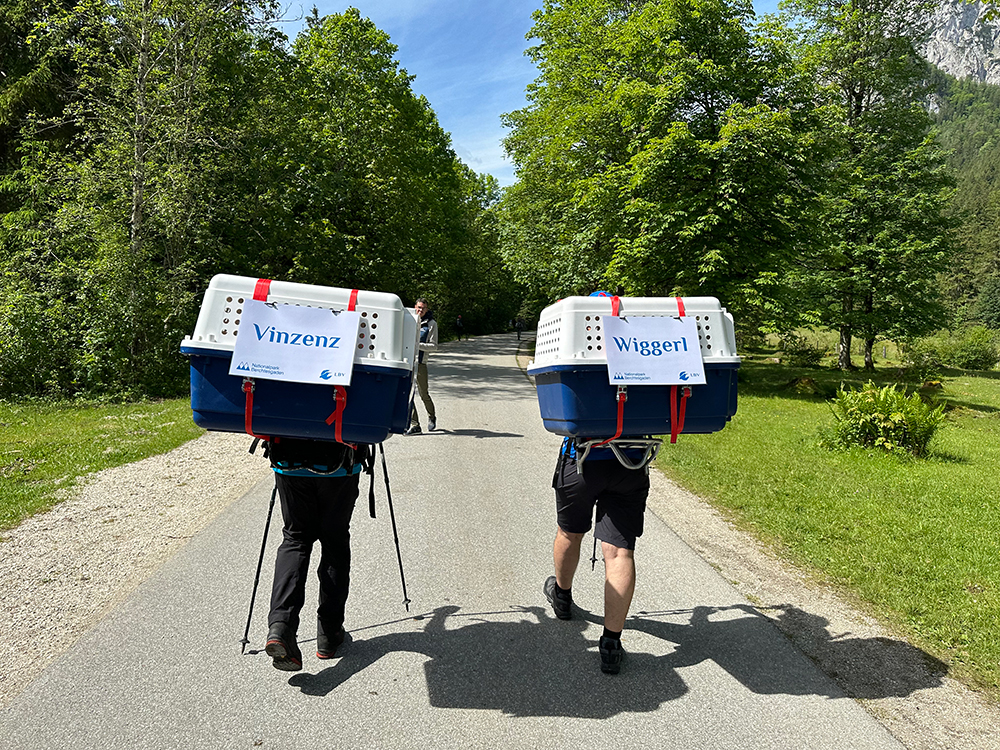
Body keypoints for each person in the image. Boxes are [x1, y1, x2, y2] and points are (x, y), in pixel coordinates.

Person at [543, 436, 651, 675]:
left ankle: (562, 597)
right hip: (630, 462)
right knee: (619, 553)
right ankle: (611, 644)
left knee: (569, 534)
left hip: (582, 459)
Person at [264, 438, 367, 671]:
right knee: (334, 542)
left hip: (288, 460)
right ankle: (329, 634)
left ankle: (281, 626)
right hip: (340, 463)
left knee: (295, 539)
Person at [405, 297, 438, 434]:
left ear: (427, 309)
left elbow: (434, 346)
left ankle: (431, 417)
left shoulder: (431, 324)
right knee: (408, 394)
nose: (420, 310)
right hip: (407, 362)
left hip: (421, 363)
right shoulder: (409, 320)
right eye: (418, 307)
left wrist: (418, 345)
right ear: (415, 307)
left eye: (423, 308)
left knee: (424, 394)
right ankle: (415, 424)